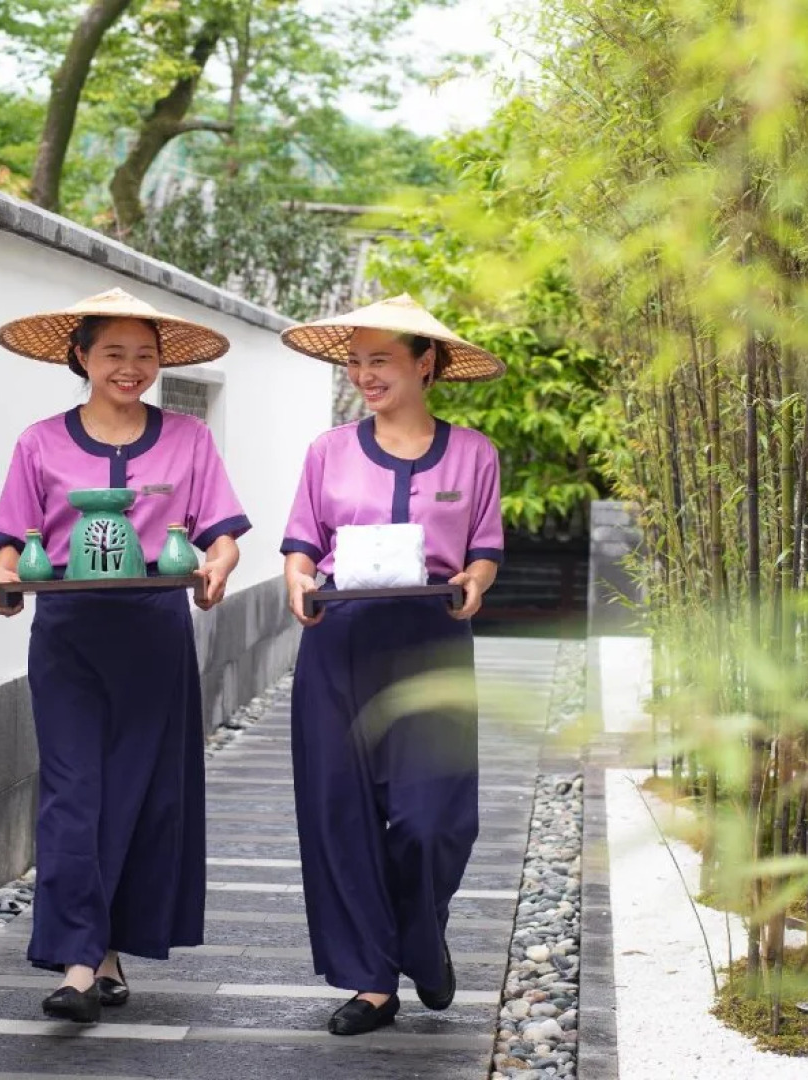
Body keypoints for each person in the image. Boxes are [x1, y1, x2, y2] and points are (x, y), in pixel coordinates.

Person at [0, 288, 251, 1023]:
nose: (130, 369)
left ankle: (105, 951)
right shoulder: (40, 441)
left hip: (153, 630)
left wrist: (219, 566)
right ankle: (75, 963)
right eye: (113, 354)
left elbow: (222, 531)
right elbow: (11, 537)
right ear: (80, 358)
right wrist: (2, 576)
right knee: (73, 795)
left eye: (145, 355)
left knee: (139, 794)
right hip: (68, 632)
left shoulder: (188, 438)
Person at [278, 294, 506, 1036]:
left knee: (430, 819)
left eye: (380, 360)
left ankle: (420, 933)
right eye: (355, 361)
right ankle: (372, 981)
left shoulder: (473, 453)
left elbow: (482, 549)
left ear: (425, 364)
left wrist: (476, 580)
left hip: (431, 639)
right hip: (339, 640)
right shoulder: (328, 451)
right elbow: (302, 544)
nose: (364, 375)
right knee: (339, 815)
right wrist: (298, 582)